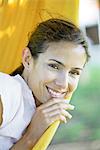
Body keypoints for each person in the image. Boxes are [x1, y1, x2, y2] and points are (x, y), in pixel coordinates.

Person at [0, 18, 90, 150]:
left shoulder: (41, 108)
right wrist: (31, 135)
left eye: (74, 72)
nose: (63, 84)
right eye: (54, 66)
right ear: (27, 59)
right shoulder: (6, 92)